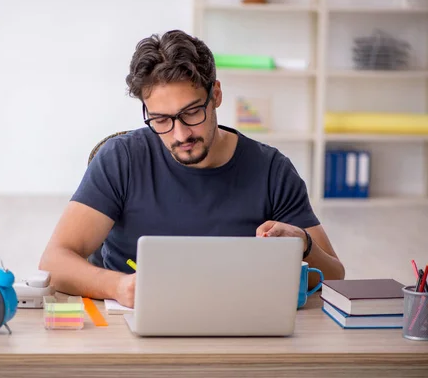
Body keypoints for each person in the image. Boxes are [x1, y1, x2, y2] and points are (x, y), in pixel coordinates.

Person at [39, 29, 345, 308]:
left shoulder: (272, 170)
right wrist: (119, 286)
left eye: (192, 112)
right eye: (161, 119)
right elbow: (54, 262)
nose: (180, 134)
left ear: (216, 95)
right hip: (131, 332)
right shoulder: (121, 159)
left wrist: (303, 245)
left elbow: (334, 278)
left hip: (240, 332)